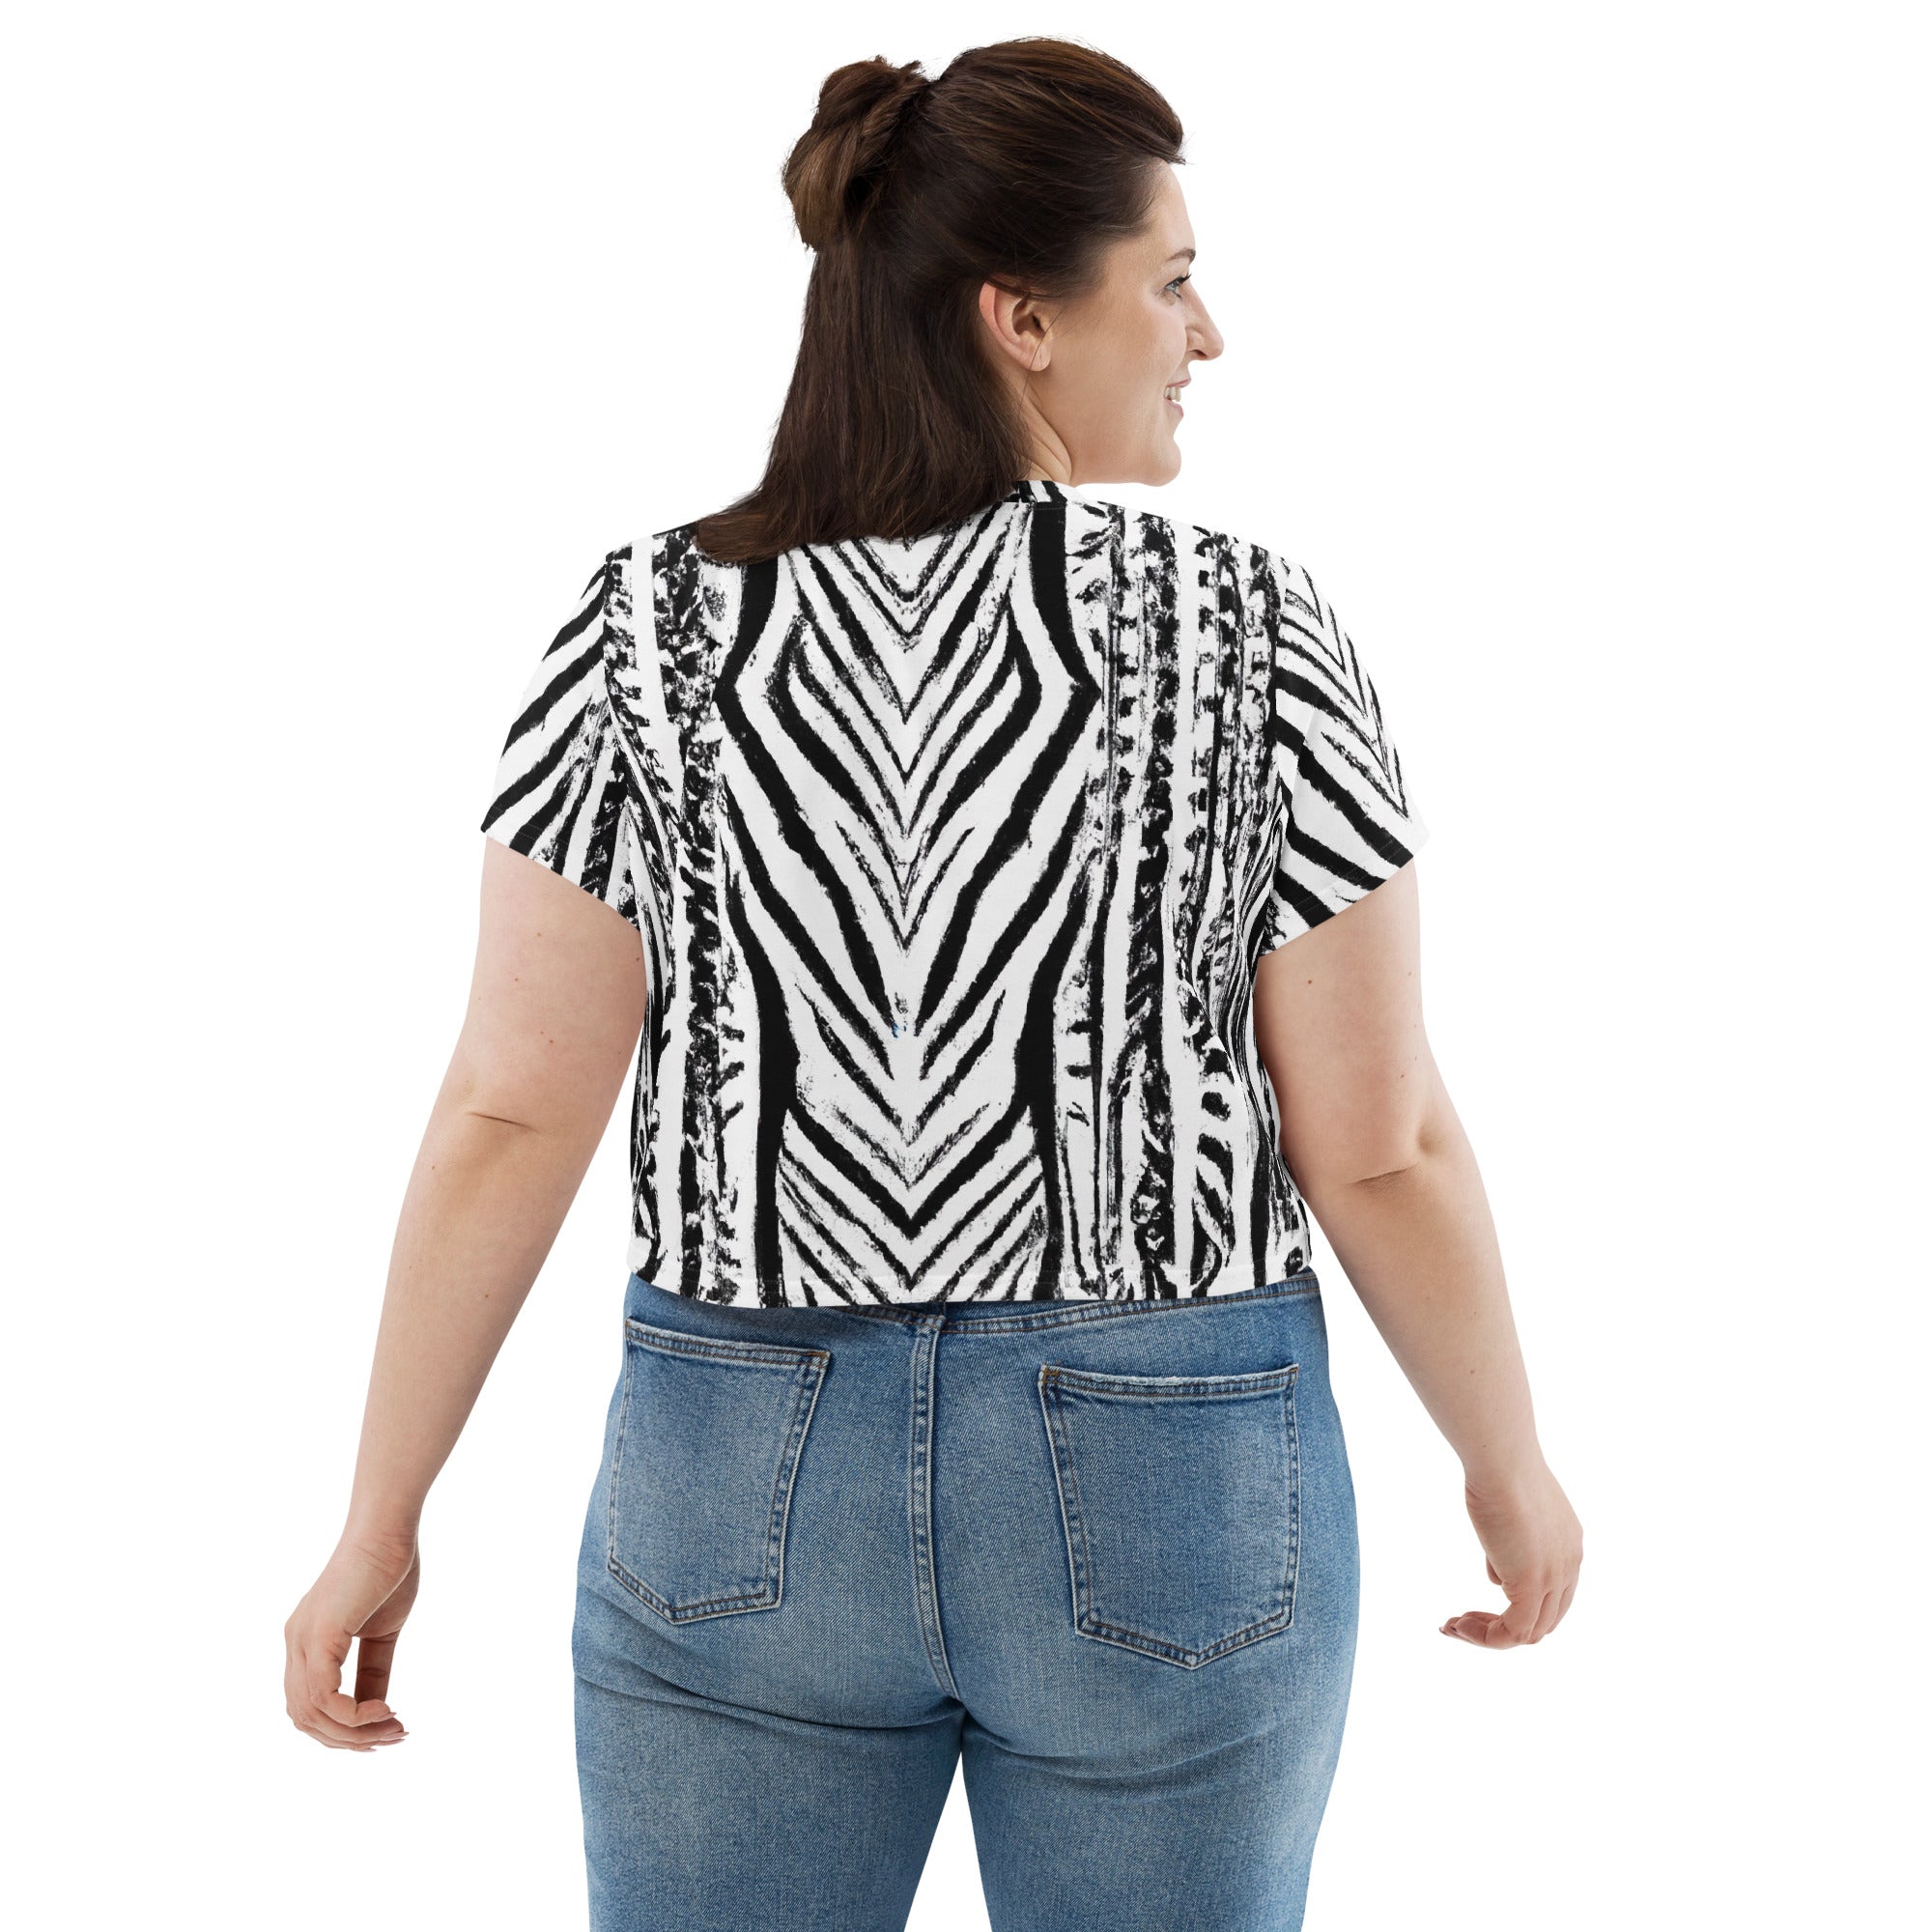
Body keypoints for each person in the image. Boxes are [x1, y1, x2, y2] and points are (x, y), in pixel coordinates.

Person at [283, 36, 1583, 1932]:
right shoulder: (1247, 625)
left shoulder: (642, 628)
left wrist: (379, 1518)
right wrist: (1505, 1459)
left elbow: (510, 1106)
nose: (1206, 336)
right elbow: (1376, 1138)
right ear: (1020, 318)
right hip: (1166, 1461)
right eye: (1171, 280)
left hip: (738, 1458)